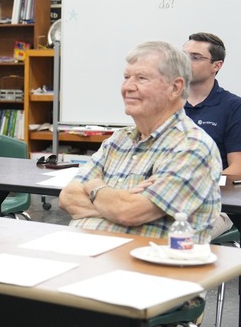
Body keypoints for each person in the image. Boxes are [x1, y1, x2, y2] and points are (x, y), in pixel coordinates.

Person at [59, 41, 231, 243]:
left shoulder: (192, 146)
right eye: (126, 77)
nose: (128, 87)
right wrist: (119, 199)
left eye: (141, 78)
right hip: (84, 253)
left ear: (175, 88)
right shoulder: (118, 141)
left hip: (145, 266)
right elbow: (67, 197)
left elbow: (129, 212)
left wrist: (95, 187)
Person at [183, 32, 241, 174]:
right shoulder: (166, 102)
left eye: (195, 58)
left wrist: (201, 186)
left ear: (216, 66)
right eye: (183, 56)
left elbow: (237, 167)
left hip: (211, 192)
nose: (185, 62)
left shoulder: (233, 107)